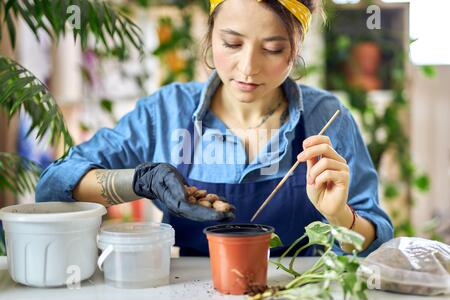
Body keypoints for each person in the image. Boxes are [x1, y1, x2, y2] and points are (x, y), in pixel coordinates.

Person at [35, 0, 393, 256]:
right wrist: (141, 180)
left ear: (296, 48)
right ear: (209, 37)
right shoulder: (167, 112)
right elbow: (55, 185)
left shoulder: (327, 118)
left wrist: (339, 216)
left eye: (272, 48)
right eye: (232, 44)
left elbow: (375, 244)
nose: (248, 67)